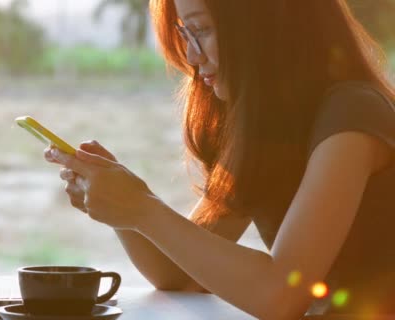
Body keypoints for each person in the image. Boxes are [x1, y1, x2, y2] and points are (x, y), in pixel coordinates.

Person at [45, 0, 395, 319]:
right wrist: (119, 205)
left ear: (266, 27)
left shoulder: (353, 114)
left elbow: (281, 296)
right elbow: (178, 275)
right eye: (186, 33)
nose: (192, 57)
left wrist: (142, 207)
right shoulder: (268, 126)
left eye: (201, 31)